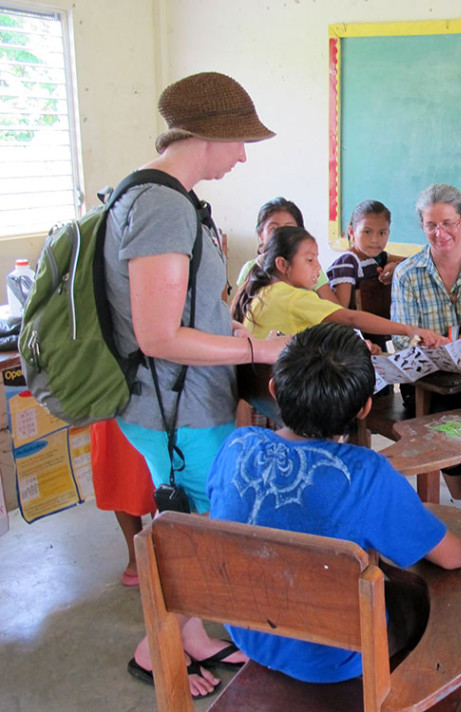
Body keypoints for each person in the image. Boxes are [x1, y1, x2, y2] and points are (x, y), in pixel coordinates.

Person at [103, 71, 289, 697]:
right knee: (197, 532)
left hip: (180, 402)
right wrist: (259, 346)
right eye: (239, 141)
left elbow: (185, 311)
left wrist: (234, 326)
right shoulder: (158, 204)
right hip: (173, 408)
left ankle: (191, 637)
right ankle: (156, 648)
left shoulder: (162, 197)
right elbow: (157, 335)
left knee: (187, 523)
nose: (242, 155)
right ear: (208, 133)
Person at [207, 323, 461, 684]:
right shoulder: (366, 474)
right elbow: (452, 557)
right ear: (365, 409)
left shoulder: (238, 445)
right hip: (333, 658)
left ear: (274, 390)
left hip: (251, 633)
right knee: (428, 595)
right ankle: (440, 694)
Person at [390, 184, 461, 510]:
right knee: (447, 415)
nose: (440, 233)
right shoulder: (407, 274)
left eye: (448, 223)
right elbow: (404, 343)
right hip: (431, 379)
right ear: (422, 227)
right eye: (431, 225)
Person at [231, 225, 443, 348]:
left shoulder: (264, 292)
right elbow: (349, 317)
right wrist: (408, 329)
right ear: (282, 264)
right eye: (310, 260)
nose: (318, 267)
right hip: (285, 403)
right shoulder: (291, 297)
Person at [236, 197, 341, 305]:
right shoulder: (251, 268)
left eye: (289, 228)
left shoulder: (311, 268)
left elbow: (334, 308)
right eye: (274, 228)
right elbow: (236, 312)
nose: (282, 234)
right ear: (260, 234)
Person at [89, 419, 156, 587]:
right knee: (156, 472)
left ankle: (138, 558)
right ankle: (158, 556)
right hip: (142, 406)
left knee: (120, 469)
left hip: (109, 406)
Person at [327, 199, 403, 311]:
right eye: (367, 232)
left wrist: (397, 266)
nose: (375, 240)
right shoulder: (347, 263)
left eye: (382, 233)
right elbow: (340, 313)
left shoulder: (380, 256)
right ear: (351, 232)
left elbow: (414, 261)